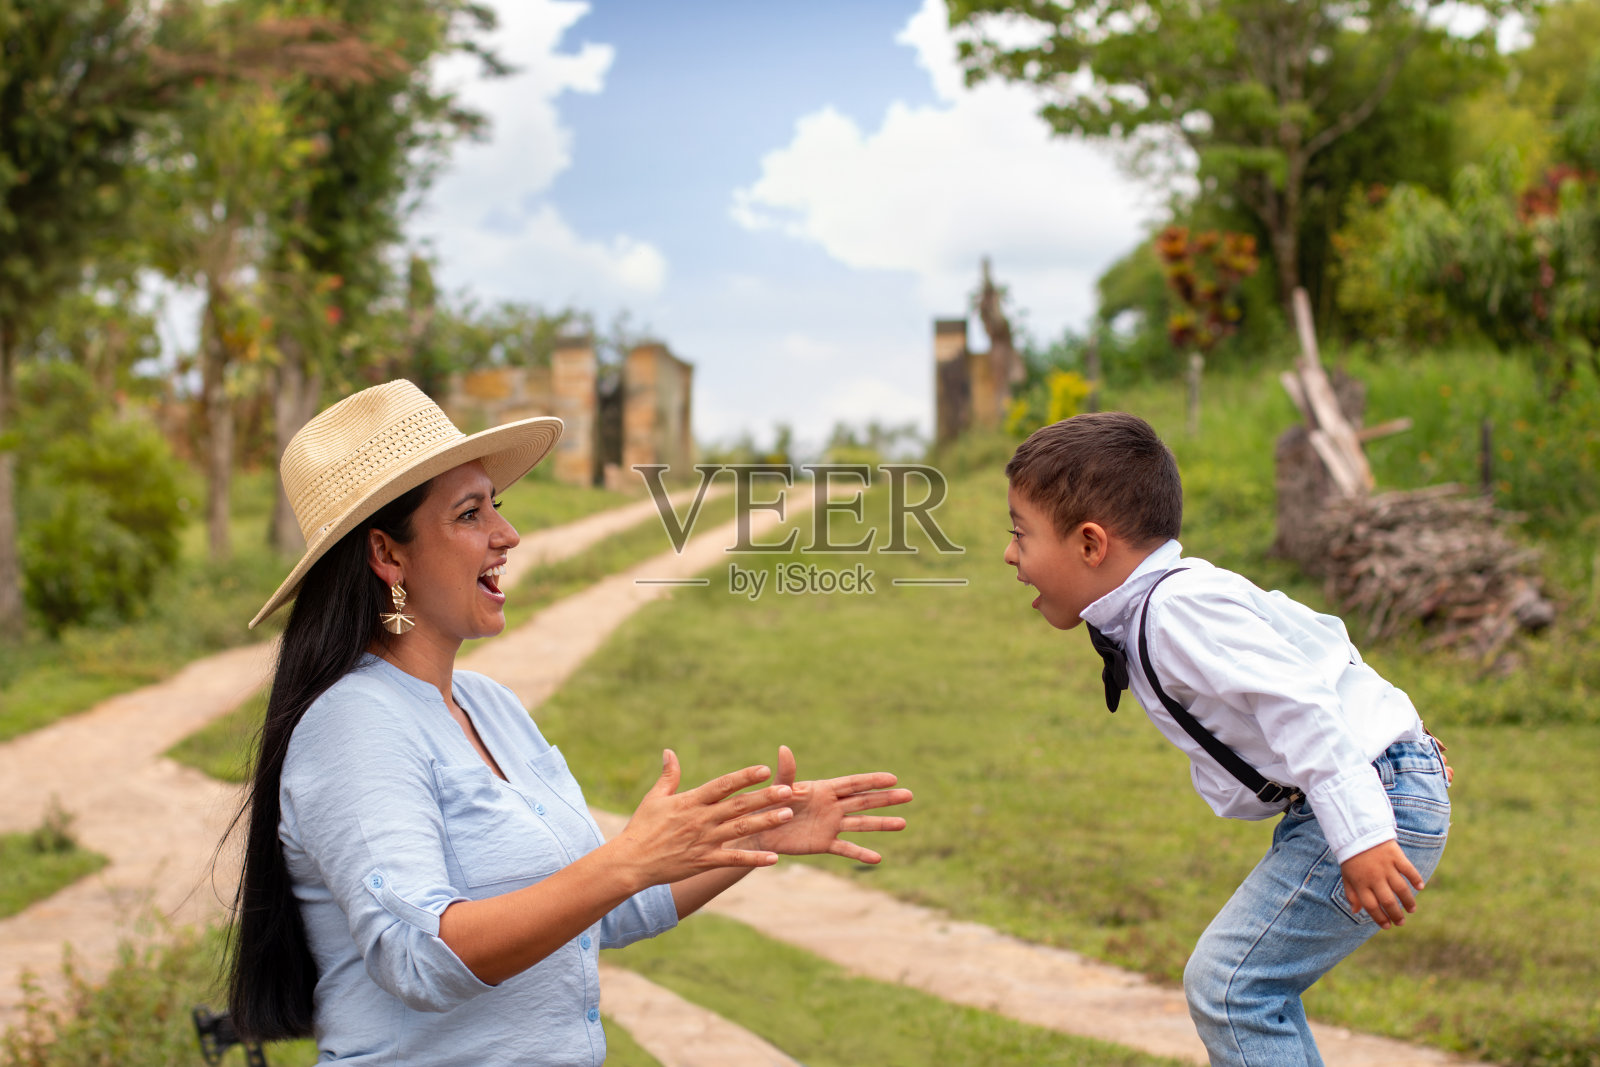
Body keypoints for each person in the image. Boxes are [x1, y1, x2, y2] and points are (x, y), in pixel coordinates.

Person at [227, 379, 912, 1064]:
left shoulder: (490, 706)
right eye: (470, 514)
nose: (507, 534)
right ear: (388, 554)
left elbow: (601, 907)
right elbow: (421, 955)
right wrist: (625, 860)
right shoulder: (354, 725)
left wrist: (751, 831)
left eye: (497, 506)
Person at [1001, 412, 1450, 1067]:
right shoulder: (1178, 599)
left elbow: (1297, 701)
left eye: (1020, 534)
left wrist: (1365, 830)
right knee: (1243, 985)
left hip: (1366, 802)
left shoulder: (1177, 610)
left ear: (1091, 543)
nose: (1010, 555)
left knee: (1232, 986)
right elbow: (1313, 639)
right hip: (1372, 781)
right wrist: (1397, 732)